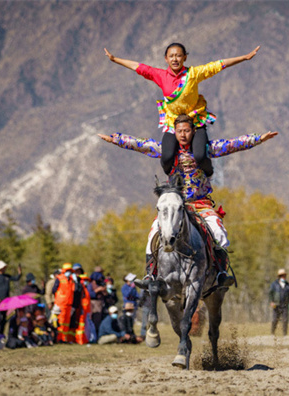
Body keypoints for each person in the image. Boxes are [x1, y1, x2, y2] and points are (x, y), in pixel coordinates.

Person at [99, 114, 278, 288]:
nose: (183, 135)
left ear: (193, 131)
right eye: (179, 131)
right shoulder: (166, 151)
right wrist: (115, 139)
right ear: (174, 133)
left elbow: (233, 144)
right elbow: (140, 144)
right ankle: (151, 274)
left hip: (201, 205)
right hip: (175, 207)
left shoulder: (207, 148)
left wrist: (259, 138)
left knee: (219, 232)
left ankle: (222, 273)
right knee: (153, 233)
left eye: (186, 130)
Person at [104, 43, 260, 177]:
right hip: (173, 124)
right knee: (166, 157)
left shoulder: (193, 74)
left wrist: (244, 57)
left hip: (195, 123)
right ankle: (174, 179)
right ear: (166, 59)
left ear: (185, 57)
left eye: (178, 56)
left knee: (199, 155)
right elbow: (139, 67)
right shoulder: (160, 75)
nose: (175, 59)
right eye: (171, 56)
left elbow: (218, 65)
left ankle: (207, 174)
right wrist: (114, 59)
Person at [0, 260, 22, 337]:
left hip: (6, 300)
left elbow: (15, 278)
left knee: (4, 318)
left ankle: (2, 334)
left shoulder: (6, 276)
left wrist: (19, 273)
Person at [52, 263, 77, 343]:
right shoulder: (59, 278)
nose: (69, 272)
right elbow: (54, 290)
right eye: (67, 271)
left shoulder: (71, 280)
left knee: (66, 322)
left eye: (70, 271)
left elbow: (74, 291)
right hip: (61, 303)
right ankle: (59, 338)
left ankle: (64, 338)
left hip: (68, 304)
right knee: (61, 321)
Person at [269, 269, 289, 336]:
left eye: (284, 275)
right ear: (279, 276)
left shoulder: (288, 286)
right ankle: (272, 333)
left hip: (285, 305)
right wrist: (271, 301)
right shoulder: (274, 284)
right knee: (274, 320)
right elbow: (270, 293)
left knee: (285, 320)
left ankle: (285, 334)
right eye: (282, 275)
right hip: (276, 305)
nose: (284, 277)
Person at [88, 266, 107, 337]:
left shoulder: (102, 283)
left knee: (98, 320)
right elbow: (90, 294)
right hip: (93, 304)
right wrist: (97, 290)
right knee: (93, 320)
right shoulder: (91, 284)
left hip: (100, 303)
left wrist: (104, 290)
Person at [75, 273, 92, 345]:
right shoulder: (80, 289)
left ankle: (83, 339)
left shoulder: (85, 289)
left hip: (86, 310)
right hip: (81, 309)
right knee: (80, 325)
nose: (85, 282)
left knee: (84, 325)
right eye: (84, 280)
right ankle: (80, 339)